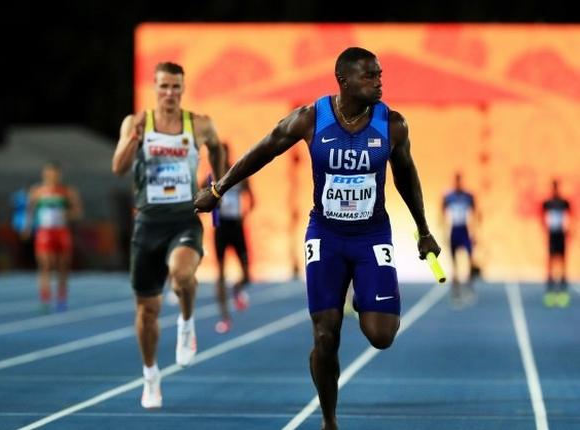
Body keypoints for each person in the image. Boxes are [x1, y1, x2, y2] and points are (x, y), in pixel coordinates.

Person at [194, 47, 440, 430]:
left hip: (371, 236)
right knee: (326, 334)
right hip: (325, 234)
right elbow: (266, 148)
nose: (379, 82)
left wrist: (424, 231)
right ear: (343, 81)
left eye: (380, 74)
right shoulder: (311, 118)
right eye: (369, 76)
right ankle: (329, 419)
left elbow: (407, 176)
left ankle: (363, 289)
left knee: (381, 336)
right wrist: (219, 188)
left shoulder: (392, 124)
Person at [112, 61, 225, 409]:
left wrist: (217, 187)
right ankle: (150, 376)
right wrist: (134, 139)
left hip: (184, 218)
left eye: (176, 87)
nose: (170, 94)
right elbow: (118, 168)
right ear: (155, 87)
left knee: (181, 276)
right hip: (148, 221)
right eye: (164, 86)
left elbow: (219, 149)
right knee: (147, 310)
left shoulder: (199, 123)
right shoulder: (137, 123)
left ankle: (187, 323)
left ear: (183, 89)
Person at [23, 163, 83, 312]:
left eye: (55, 174)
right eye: (49, 174)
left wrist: (67, 214)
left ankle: (61, 299)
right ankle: (45, 299)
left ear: (59, 175)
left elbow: (78, 211)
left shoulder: (67, 191)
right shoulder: (37, 191)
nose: (52, 177)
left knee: (62, 267)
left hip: (61, 232)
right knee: (45, 266)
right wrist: (27, 227)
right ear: (44, 174)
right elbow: (29, 210)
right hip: (44, 232)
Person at [212, 143, 255, 334]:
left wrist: (243, 215)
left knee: (247, 274)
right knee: (220, 274)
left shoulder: (239, 172)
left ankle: (237, 289)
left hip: (236, 226)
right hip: (221, 227)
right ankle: (224, 318)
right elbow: (201, 197)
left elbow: (252, 199)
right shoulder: (211, 176)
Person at [441, 172, 479, 308]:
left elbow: (476, 214)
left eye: (459, 180)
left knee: (469, 260)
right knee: (454, 264)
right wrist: (444, 232)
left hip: (465, 230)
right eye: (456, 180)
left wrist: (474, 233)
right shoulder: (448, 197)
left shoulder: (468, 196)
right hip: (454, 231)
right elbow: (442, 214)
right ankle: (456, 291)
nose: (458, 183)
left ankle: (469, 288)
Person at [542, 179, 571, 307]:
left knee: (562, 260)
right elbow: (544, 218)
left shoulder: (564, 203)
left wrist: (567, 230)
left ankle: (563, 286)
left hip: (561, 235)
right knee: (551, 260)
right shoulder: (548, 203)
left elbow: (568, 218)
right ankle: (550, 286)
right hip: (552, 234)